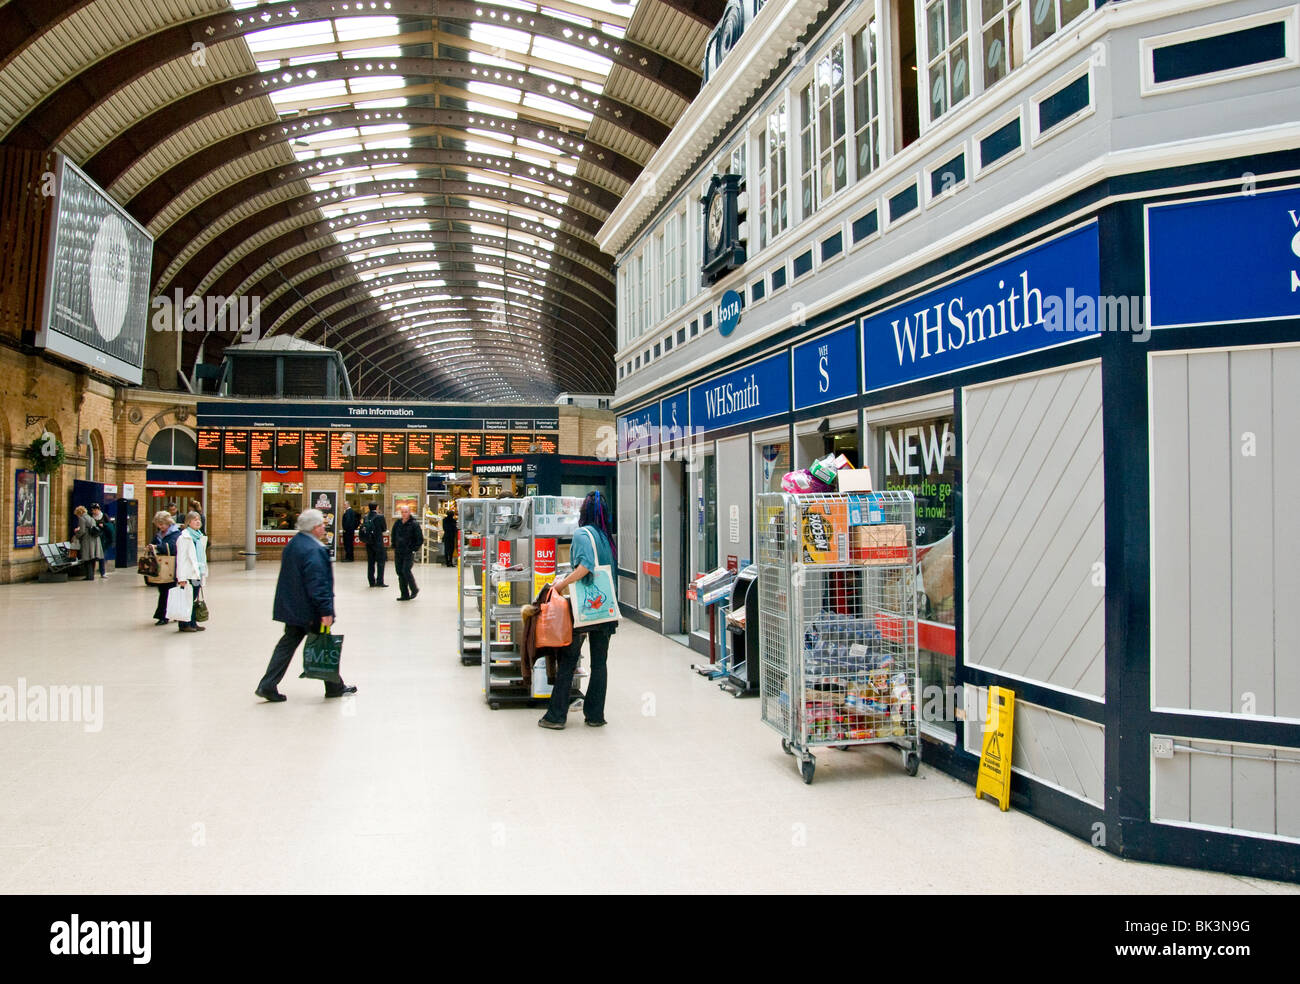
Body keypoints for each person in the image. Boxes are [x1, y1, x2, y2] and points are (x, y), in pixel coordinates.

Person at [256, 509, 357, 702]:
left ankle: (268, 684)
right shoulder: (315, 549)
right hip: (310, 611)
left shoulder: (294, 544)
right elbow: (319, 584)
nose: (323, 528)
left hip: (293, 607)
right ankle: (335, 687)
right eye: (321, 525)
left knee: (287, 645)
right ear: (313, 528)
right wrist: (326, 611)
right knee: (324, 646)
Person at [539, 490, 617, 730]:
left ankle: (556, 716)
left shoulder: (583, 534)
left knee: (568, 660)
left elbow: (586, 566)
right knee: (600, 663)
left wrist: (561, 584)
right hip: (605, 608)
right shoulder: (606, 537)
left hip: (584, 609)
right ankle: (595, 715)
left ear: (584, 511)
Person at [174, 510, 208, 633]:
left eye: (199, 519)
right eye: (194, 520)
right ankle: (184, 624)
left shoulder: (199, 537)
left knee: (193, 599)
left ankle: (193, 622)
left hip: (197, 573)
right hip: (188, 574)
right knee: (186, 599)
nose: (198, 522)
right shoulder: (184, 538)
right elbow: (181, 559)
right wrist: (181, 578)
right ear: (188, 522)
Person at [147, 511, 182, 625]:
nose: (160, 527)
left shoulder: (175, 534)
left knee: (168, 590)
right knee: (164, 590)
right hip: (162, 567)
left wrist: (157, 547)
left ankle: (165, 615)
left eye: (162, 524)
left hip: (172, 566)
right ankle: (169, 613)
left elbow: (172, 547)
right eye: (158, 524)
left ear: (168, 522)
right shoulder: (159, 534)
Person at [391, 503, 424, 601]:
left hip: (408, 552)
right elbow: (393, 534)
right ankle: (404, 594)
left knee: (406, 570)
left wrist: (414, 549)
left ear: (409, 512)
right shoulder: (397, 523)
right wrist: (394, 545)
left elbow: (420, 539)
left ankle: (414, 589)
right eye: (402, 512)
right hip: (398, 552)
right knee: (399, 572)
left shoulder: (414, 524)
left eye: (406, 512)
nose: (404, 514)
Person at [71, 505, 103, 582]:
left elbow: (82, 531)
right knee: (92, 558)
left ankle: (89, 576)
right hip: (94, 540)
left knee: (87, 558)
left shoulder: (82, 518)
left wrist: (76, 534)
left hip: (87, 540)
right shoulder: (91, 518)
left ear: (79, 513)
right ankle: (91, 575)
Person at [361, 502, 387, 587]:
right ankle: (380, 581)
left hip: (369, 542)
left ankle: (371, 581)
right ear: (377, 507)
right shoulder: (380, 517)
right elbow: (384, 528)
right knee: (380, 562)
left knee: (370, 562)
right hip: (378, 542)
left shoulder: (365, 517)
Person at [90, 505, 115, 576]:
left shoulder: (104, 516)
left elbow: (110, 526)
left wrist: (104, 525)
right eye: (92, 510)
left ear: (98, 509)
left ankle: (102, 572)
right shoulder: (91, 516)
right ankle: (92, 572)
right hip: (93, 538)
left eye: (95, 510)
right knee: (93, 555)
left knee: (101, 555)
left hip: (102, 539)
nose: (94, 512)